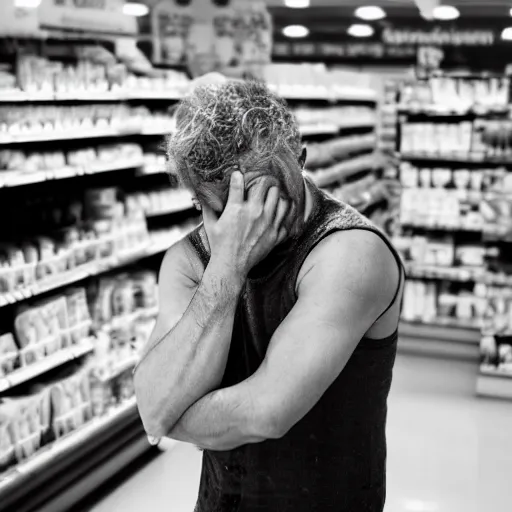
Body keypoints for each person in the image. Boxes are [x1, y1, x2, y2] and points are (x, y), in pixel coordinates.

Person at [134, 76, 405, 512]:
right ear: (197, 201)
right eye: (226, 209)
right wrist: (227, 265)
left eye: (263, 195)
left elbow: (265, 412)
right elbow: (152, 404)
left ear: (300, 158)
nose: (249, 220)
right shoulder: (189, 259)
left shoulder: (351, 253)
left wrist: (173, 416)